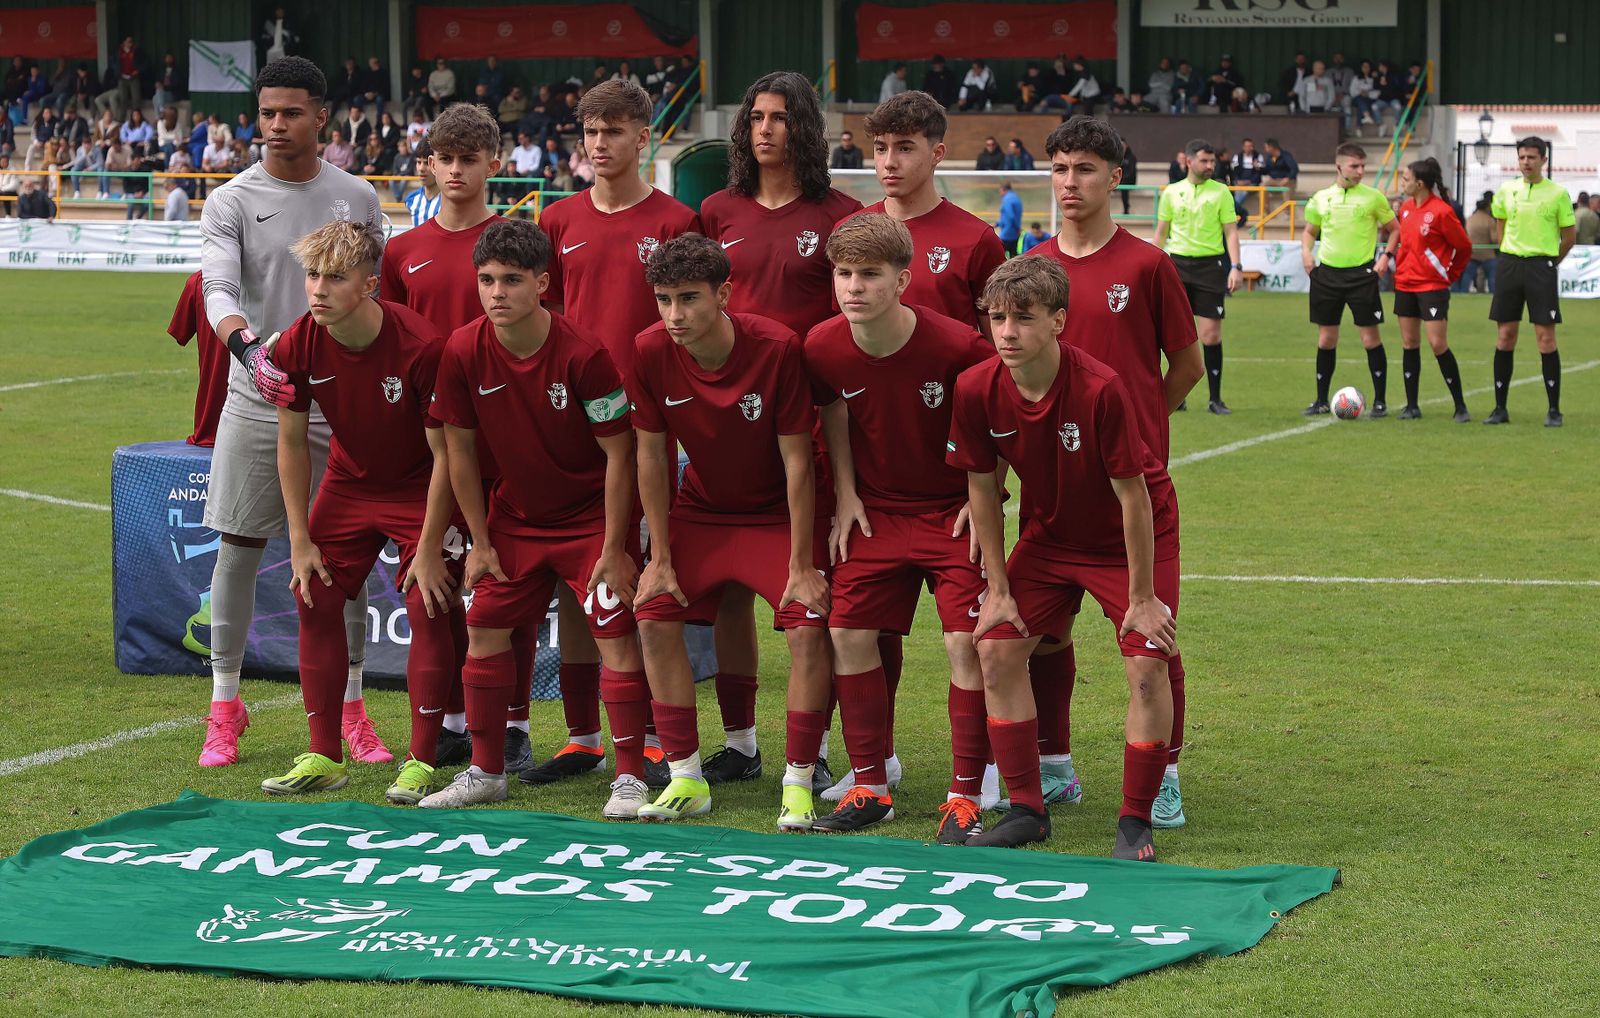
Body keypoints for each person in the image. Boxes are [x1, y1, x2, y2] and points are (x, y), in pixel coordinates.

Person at [950, 255, 1180, 858]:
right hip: (1050, 537)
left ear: (1058, 321)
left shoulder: (1101, 388)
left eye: (1022, 318)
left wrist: (1141, 597)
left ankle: (1134, 821)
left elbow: (1134, 499)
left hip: (1128, 537)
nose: (1006, 332)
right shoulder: (977, 387)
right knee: (995, 649)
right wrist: (997, 590)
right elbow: (981, 489)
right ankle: (1027, 808)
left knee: (1146, 664)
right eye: (996, 317)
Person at [196, 56, 386, 770]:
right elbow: (217, 287)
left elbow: (377, 289)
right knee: (239, 547)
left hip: (341, 400)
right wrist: (248, 351)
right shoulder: (232, 199)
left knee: (345, 558)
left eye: (291, 113)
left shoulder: (357, 197)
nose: (277, 125)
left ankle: (354, 708)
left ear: (322, 118)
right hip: (260, 387)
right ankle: (223, 705)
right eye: (267, 112)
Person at [426, 218, 650, 815]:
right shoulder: (462, 349)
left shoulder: (585, 354)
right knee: (484, 632)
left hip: (590, 523)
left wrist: (613, 545)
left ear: (543, 283)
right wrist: (478, 540)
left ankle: (628, 776)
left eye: (512, 281)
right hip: (515, 521)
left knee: (615, 638)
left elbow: (620, 453)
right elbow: (459, 452)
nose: (497, 293)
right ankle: (486, 770)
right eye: (487, 280)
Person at [383, 103, 576, 775]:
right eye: (447, 158)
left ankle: (515, 725)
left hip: (513, 448)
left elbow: (554, 336)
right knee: (442, 592)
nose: (457, 170)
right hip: (434, 448)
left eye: (471, 159)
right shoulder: (401, 252)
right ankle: (455, 726)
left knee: (507, 593)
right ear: (429, 162)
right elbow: (392, 348)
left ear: (495, 164)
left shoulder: (518, 242)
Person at [1026, 116, 1201, 829]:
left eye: (1087, 169)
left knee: (1151, 635)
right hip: (1054, 490)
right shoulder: (1034, 266)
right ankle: (1054, 765)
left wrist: (1142, 427)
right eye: (1062, 168)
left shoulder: (1146, 265)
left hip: (1133, 487)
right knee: (1038, 634)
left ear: (1115, 179)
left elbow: (1186, 363)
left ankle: (1165, 773)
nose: (1072, 182)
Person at [628, 234, 830, 828]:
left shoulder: (776, 348)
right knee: (655, 613)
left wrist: (801, 563)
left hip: (775, 514)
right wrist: (659, 556)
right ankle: (687, 778)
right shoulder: (648, 350)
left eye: (689, 298)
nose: (674, 315)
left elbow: (799, 460)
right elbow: (651, 456)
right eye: (663, 299)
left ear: (725, 293)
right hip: (704, 511)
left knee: (806, 627)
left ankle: (797, 780)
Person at [803, 213, 994, 837]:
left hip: (948, 513)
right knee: (848, 634)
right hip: (876, 514)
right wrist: (848, 494)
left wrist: (983, 498)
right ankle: (869, 786)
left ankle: (966, 792)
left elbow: (994, 423)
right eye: (843, 274)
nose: (853, 287)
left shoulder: (959, 345)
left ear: (903, 280)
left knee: (966, 644)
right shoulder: (822, 345)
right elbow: (833, 408)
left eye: (869, 275)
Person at [697, 72, 862, 790]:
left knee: (809, 594)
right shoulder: (714, 210)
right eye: (755, 117)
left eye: (780, 117)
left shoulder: (840, 213)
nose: (765, 129)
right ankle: (739, 743)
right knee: (730, 593)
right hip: (721, 425)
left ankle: (813, 748)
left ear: (805, 129)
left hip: (805, 425)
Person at [537, 80, 702, 786]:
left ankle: (663, 737)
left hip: (648, 422)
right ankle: (582, 737)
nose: (600, 144)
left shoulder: (676, 219)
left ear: (644, 138)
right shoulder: (558, 218)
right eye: (590, 131)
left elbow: (689, 321)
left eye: (614, 131)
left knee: (645, 575)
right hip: (572, 420)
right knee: (586, 577)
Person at [262, 222, 462, 803]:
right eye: (312, 275)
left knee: (428, 604)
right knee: (314, 594)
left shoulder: (421, 346)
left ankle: (422, 760)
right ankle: (323, 754)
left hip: (421, 486)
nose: (318, 289)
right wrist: (299, 539)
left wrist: (428, 548)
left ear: (371, 284)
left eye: (335, 277)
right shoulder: (300, 340)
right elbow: (293, 443)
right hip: (348, 484)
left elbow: (446, 455)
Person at [855, 91, 1006, 337]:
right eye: (881, 148)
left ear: (937, 154)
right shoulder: (850, 232)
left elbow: (998, 345)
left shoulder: (978, 240)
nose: (889, 162)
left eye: (904, 148)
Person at [1300, 143, 1398, 416]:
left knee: (1370, 338)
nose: (1360, 171)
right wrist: (1306, 251)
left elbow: (1394, 230)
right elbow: (1310, 231)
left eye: (1363, 166)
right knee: (1326, 339)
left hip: (1361, 276)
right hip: (1327, 275)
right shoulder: (1321, 198)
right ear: (1339, 166)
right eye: (1355, 166)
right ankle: (1320, 400)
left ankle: (1380, 401)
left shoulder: (1374, 197)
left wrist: (1385, 257)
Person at [1486, 136, 1574, 427]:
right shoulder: (1506, 190)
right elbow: (1500, 230)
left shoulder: (1558, 193)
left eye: (1532, 158)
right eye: (1522, 157)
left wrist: (1549, 264)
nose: (1526, 162)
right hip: (1510, 265)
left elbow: (1569, 237)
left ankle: (1554, 411)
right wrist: (1511, 256)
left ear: (1543, 161)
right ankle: (1500, 408)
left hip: (1541, 267)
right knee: (1505, 336)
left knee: (1545, 339)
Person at [1380, 157, 1473, 422]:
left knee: (1437, 343)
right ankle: (1412, 406)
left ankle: (1460, 406)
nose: (1403, 183)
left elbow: (1464, 247)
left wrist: (1449, 274)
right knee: (1409, 343)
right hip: (1405, 284)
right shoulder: (1406, 208)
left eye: (1406, 179)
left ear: (1420, 183)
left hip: (1432, 286)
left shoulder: (1442, 212)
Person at [1157, 140, 1243, 415]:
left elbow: (1231, 232)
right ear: (1189, 161)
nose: (1210, 166)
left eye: (1212, 161)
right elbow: (1161, 232)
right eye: (1204, 161)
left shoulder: (1221, 192)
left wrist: (1236, 266)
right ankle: (1176, 395)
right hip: (1177, 266)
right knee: (1172, 334)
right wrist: (1150, 266)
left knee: (1210, 334)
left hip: (1211, 266)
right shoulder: (1171, 192)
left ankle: (1215, 399)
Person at [1461, 194, 1497, 294]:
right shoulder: (1489, 221)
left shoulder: (1469, 219)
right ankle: (1492, 294)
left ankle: (1463, 294)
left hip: (1472, 252)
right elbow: (1494, 239)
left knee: (1467, 276)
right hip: (1487, 254)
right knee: (1492, 276)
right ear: (1487, 208)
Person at [403, 136, 441, 225]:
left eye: (427, 163)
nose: (421, 168)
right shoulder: (411, 199)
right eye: (419, 162)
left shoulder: (450, 201)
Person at [996, 181, 1023, 257]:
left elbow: (1010, 216)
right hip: (1014, 233)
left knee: (999, 255)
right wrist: (997, 223)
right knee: (1013, 255)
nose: (1000, 193)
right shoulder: (1016, 198)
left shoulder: (1007, 199)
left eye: (1000, 191)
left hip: (1007, 233)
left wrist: (1017, 227)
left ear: (1004, 189)